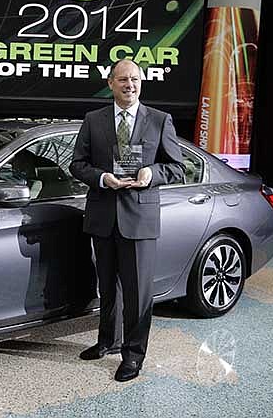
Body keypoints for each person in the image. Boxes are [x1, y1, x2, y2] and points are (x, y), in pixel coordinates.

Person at [70, 59, 185, 382]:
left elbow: (177, 168)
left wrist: (152, 174)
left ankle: (133, 356)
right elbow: (77, 164)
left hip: (140, 218)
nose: (130, 85)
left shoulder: (160, 121)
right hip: (103, 216)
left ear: (142, 82)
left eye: (135, 79)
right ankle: (108, 340)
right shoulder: (94, 120)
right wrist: (103, 177)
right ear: (111, 83)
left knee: (137, 294)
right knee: (107, 288)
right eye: (123, 80)